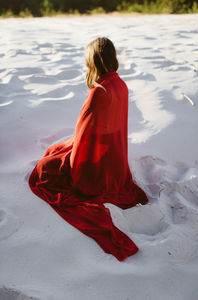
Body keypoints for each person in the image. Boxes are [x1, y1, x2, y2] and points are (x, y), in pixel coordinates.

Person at [29, 37, 148, 261]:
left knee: (43, 170)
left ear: (93, 61)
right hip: (113, 159)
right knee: (56, 151)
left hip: (96, 161)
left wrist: (72, 164)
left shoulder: (99, 91)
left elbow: (84, 137)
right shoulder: (120, 84)